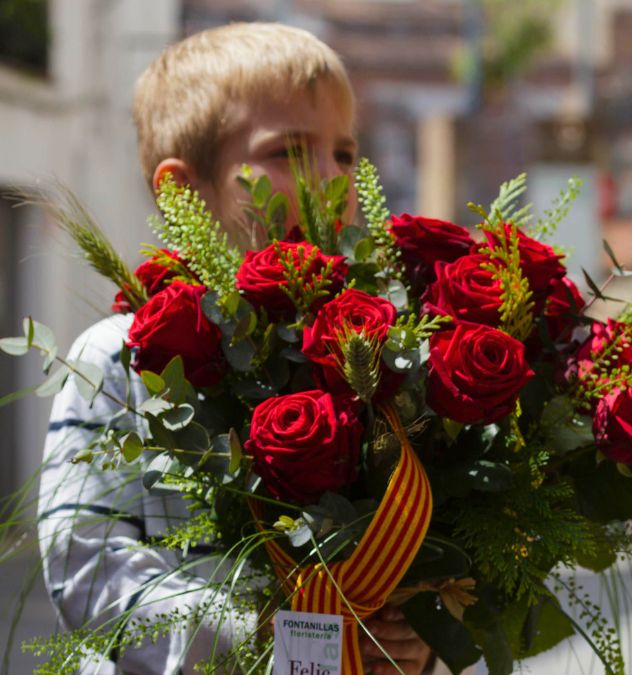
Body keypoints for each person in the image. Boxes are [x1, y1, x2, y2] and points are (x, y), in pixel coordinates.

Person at [38, 22, 436, 674]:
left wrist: (423, 640)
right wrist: (258, 632)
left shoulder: (370, 356)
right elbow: (82, 565)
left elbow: (430, 554)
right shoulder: (119, 356)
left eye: (344, 154)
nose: (331, 181)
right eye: (290, 153)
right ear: (183, 189)